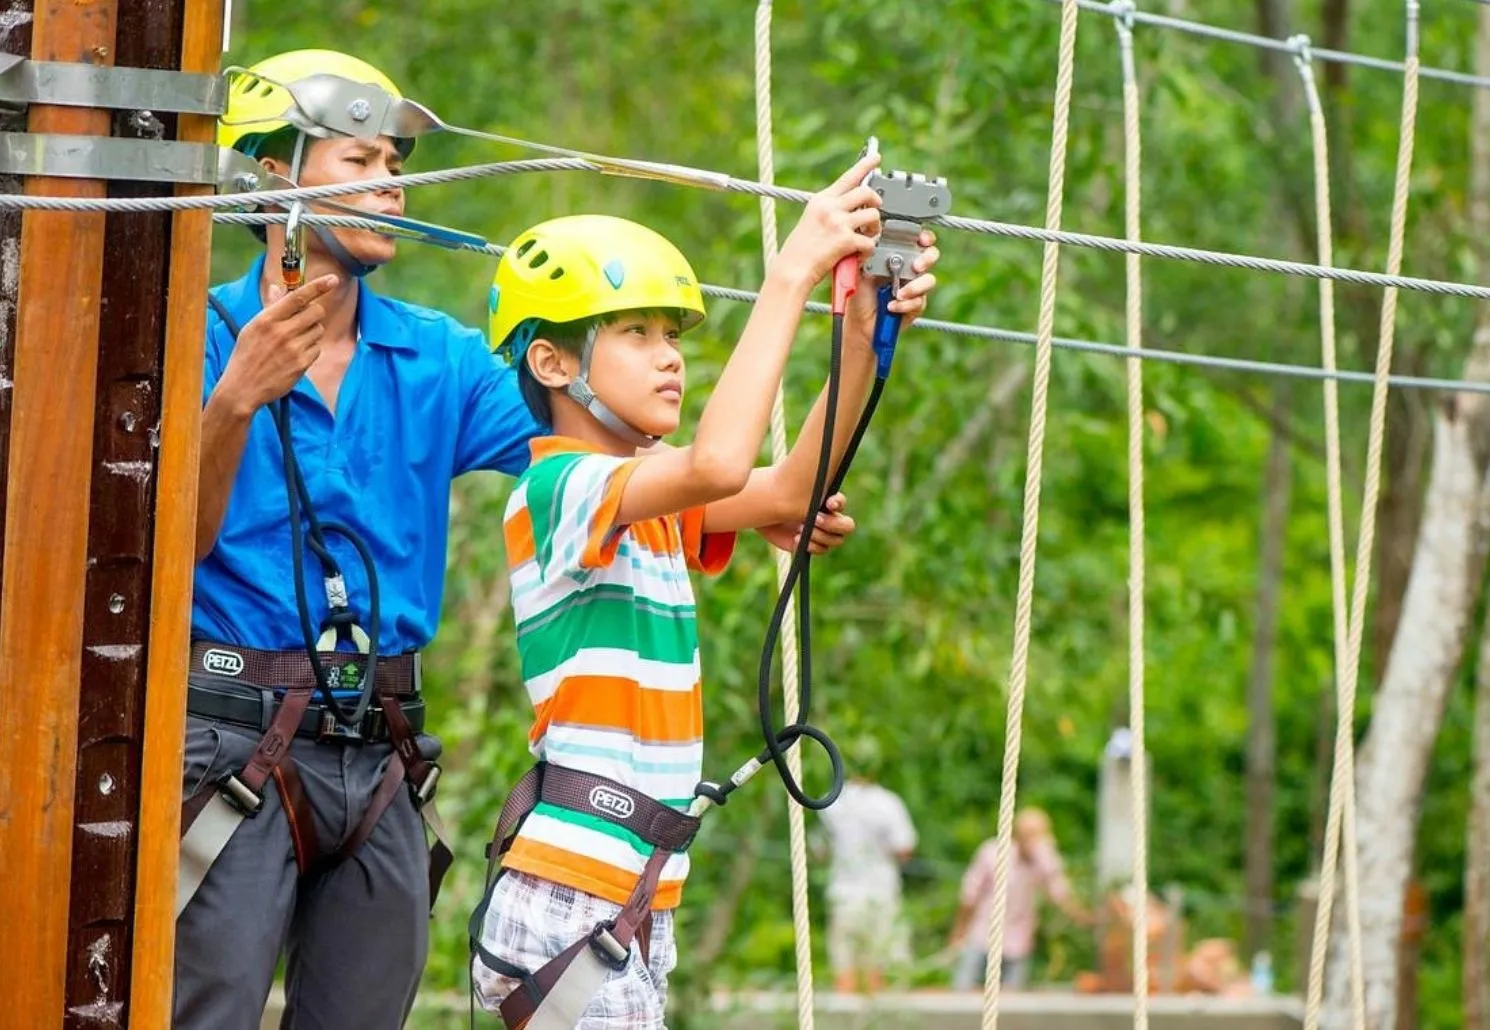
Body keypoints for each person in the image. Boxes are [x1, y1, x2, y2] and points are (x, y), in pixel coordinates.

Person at [179, 49, 857, 1030]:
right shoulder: (194, 336)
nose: (391, 183)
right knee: (205, 1011)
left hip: (376, 745)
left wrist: (762, 504)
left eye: (395, 162)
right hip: (234, 731)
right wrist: (235, 399)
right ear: (274, 176)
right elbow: (176, 546)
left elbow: (594, 450)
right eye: (359, 161)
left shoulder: (438, 357)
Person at [470, 154, 940, 1028]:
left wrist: (858, 329)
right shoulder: (560, 491)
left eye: (674, 337)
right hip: (575, 895)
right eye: (636, 334)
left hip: (637, 898)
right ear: (551, 360)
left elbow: (794, 487)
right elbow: (723, 462)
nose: (670, 360)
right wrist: (790, 275)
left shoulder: (649, 497)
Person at [949, 807, 1089, 991]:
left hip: (1019, 940)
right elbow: (969, 895)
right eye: (1029, 834)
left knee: (1011, 1001)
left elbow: (1059, 893)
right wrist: (959, 930)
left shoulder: (1045, 860)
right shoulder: (992, 853)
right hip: (982, 934)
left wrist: (1084, 917)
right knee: (963, 989)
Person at [816, 746, 919, 994]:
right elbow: (904, 849)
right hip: (881, 890)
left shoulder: (830, 802)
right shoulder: (888, 803)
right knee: (878, 961)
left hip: (844, 892)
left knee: (844, 961)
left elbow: (820, 851)